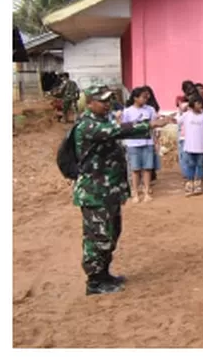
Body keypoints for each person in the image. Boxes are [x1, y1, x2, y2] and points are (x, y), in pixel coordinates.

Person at [71, 86, 171, 295]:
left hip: (109, 191)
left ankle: (105, 274)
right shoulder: (88, 125)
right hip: (94, 193)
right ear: (89, 103)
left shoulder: (103, 120)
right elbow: (118, 131)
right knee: (98, 237)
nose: (107, 104)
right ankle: (95, 281)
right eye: (102, 100)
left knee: (111, 233)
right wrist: (149, 123)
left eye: (109, 100)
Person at [120, 87, 157, 203]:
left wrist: (156, 141)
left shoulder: (150, 110)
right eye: (142, 97)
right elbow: (123, 127)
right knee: (135, 169)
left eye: (146, 97)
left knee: (147, 168)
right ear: (135, 98)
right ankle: (135, 192)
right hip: (133, 144)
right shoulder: (127, 111)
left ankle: (146, 191)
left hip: (147, 142)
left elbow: (154, 126)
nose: (145, 99)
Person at [178, 96, 203, 196]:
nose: (200, 105)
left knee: (200, 165)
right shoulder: (186, 115)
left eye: (201, 103)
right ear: (192, 105)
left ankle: (198, 184)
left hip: (200, 147)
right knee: (190, 165)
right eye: (197, 103)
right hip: (189, 146)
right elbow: (177, 121)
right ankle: (189, 184)